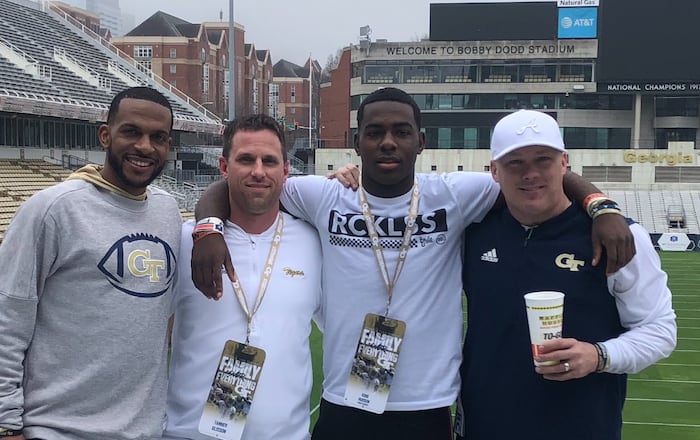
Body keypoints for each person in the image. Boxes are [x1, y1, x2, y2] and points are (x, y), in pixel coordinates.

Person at [192, 87, 634, 439]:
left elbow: (537, 173)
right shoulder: (322, 195)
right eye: (375, 132)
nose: (388, 141)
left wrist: (601, 206)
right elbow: (239, 183)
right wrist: (208, 228)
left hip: (428, 404)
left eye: (401, 131)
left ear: (420, 142)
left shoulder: (455, 194)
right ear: (357, 142)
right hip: (344, 400)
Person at [456, 110, 677, 440]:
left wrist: (598, 356)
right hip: (483, 425)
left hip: (581, 426)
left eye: (543, 159)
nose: (530, 173)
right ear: (495, 171)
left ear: (564, 163)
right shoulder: (472, 232)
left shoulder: (619, 237)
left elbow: (659, 330)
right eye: (515, 162)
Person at [0, 86, 182, 440]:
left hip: (144, 431)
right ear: (105, 135)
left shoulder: (168, 211)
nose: (145, 147)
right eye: (131, 132)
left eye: (158, 137)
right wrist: (4, 424)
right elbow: (5, 319)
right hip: (57, 430)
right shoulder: (53, 209)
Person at [163, 114, 322, 440]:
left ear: (286, 170)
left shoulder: (315, 243)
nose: (258, 171)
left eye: (269, 161)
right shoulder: (183, 241)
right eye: (246, 159)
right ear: (224, 167)